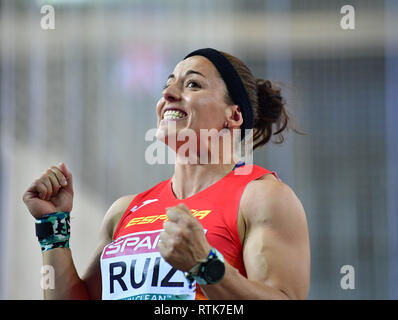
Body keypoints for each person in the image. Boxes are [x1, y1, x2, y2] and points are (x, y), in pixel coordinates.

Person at [23, 48, 310, 300]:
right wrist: (53, 227)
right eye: (168, 84)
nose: (167, 94)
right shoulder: (124, 210)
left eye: (193, 84)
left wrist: (206, 266)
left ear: (234, 116)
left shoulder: (262, 197)